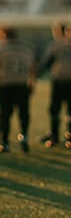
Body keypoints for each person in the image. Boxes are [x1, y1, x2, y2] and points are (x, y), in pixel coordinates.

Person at [0, 25, 35, 153]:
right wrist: (31, 83)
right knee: (23, 113)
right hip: (22, 84)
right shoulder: (26, 48)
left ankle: (5, 142)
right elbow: (32, 68)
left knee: (5, 114)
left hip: (5, 84)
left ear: (3, 34)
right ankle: (24, 137)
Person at [36, 21, 71, 149]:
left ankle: (55, 137)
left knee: (55, 110)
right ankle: (69, 138)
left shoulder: (56, 45)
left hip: (60, 80)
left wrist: (36, 74)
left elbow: (47, 62)